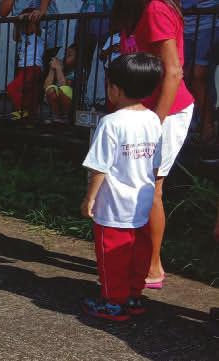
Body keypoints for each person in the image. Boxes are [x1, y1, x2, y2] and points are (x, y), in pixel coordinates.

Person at [114, 0, 195, 289]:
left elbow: (173, 72)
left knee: (152, 188)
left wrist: (153, 124)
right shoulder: (134, 10)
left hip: (167, 112)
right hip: (144, 111)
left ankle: (153, 265)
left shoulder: (155, 8)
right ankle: (136, 258)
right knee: (139, 186)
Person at [81, 53, 163, 321]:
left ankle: (112, 302)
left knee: (112, 257)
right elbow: (155, 164)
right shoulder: (153, 119)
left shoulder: (111, 123)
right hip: (142, 203)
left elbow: (99, 167)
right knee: (139, 252)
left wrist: (90, 198)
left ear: (115, 88)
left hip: (113, 206)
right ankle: (133, 296)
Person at [182, 0, 219, 144]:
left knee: (198, 76)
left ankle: (207, 126)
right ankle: (195, 123)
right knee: (184, 76)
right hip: (184, 25)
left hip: (208, 25)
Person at [0, 0, 63, 79]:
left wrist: (41, 11)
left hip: (48, 35)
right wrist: (19, 22)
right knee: (22, 81)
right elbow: (3, 13)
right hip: (24, 46)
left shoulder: (41, 34)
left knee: (42, 79)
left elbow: (39, 16)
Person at [7, 8, 44, 120]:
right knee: (28, 91)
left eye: (27, 23)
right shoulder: (23, 36)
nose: (25, 26)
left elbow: (33, 25)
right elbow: (15, 36)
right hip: (24, 67)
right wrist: (17, 23)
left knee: (12, 87)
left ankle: (22, 110)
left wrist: (26, 16)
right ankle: (28, 113)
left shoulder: (37, 35)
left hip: (32, 67)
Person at [43, 43, 77, 124]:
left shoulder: (76, 72)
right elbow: (46, 86)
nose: (65, 57)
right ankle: (56, 115)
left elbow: (65, 87)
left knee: (63, 90)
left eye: (69, 55)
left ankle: (66, 116)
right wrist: (52, 69)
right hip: (57, 100)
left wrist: (58, 69)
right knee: (50, 89)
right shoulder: (63, 68)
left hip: (71, 103)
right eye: (65, 54)